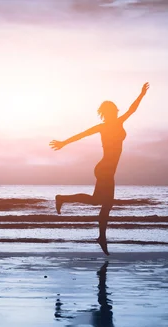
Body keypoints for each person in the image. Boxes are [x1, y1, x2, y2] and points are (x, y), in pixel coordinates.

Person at [49, 82, 150, 255]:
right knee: (106, 203)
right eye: (114, 111)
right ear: (109, 113)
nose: (117, 112)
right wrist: (64, 142)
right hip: (105, 169)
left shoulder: (111, 124)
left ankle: (63, 199)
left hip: (106, 168)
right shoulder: (110, 125)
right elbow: (82, 134)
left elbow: (131, 110)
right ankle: (101, 237)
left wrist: (141, 95)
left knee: (99, 201)